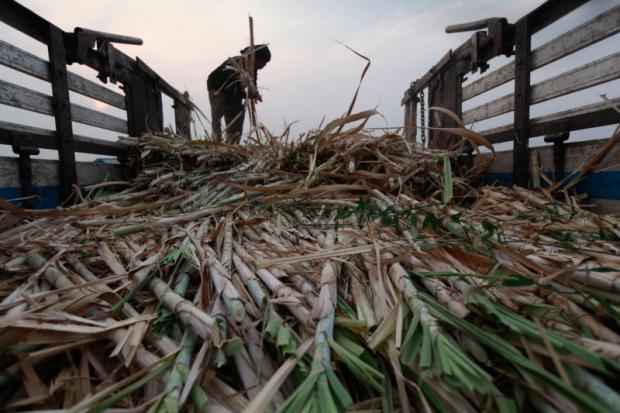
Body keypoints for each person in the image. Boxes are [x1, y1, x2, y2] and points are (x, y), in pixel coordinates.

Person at [207, 44, 271, 144]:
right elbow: (232, 87)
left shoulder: (253, 68)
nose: (264, 65)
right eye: (263, 62)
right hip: (217, 88)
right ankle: (216, 143)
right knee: (217, 116)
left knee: (237, 114)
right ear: (256, 58)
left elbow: (252, 83)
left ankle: (233, 145)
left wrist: (254, 93)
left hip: (234, 93)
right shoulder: (237, 62)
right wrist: (249, 96)